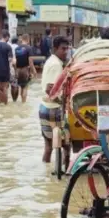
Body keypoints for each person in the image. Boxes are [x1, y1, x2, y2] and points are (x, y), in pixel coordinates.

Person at [40, 35, 71, 165]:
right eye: (63, 49)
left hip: (43, 107)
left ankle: (46, 171)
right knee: (67, 146)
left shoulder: (49, 61)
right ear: (55, 49)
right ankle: (65, 172)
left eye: (67, 49)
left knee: (48, 147)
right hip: (55, 109)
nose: (65, 52)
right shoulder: (57, 65)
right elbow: (51, 90)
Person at [14, 34, 37, 103]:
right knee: (25, 87)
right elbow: (30, 62)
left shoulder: (17, 48)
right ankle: (24, 103)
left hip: (18, 70)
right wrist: (34, 71)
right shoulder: (29, 48)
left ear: (22, 39)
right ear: (28, 39)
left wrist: (15, 71)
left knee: (21, 87)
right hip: (25, 70)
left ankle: (21, 101)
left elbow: (15, 61)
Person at [9, 36, 20, 102]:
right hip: (16, 67)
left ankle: (13, 99)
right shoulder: (19, 48)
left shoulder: (9, 47)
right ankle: (15, 100)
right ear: (17, 41)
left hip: (9, 68)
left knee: (12, 85)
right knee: (16, 85)